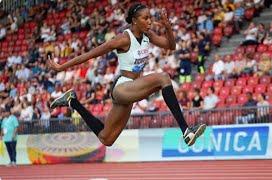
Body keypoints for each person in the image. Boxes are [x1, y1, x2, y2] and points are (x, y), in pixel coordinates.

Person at [48, 4, 206, 147]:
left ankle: (72, 101)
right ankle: (186, 130)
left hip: (133, 88)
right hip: (122, 87)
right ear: (135, 21)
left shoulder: (147, 36)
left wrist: (168, 28)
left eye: (150, 18)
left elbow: (171, 46)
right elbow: (90, 54)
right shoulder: (123, 39)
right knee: (163, 78)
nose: (150, 21)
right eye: (146, 18)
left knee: (106, 138)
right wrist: (62, 66)